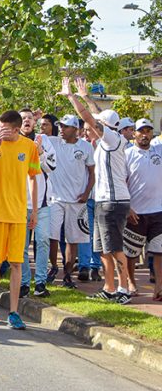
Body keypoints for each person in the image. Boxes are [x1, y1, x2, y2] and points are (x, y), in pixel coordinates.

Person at [61, 77, 133, 304]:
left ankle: (124, 289)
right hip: (103, 201)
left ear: (105, 127)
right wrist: (84, 96)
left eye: (95, 126)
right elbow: (97, 114)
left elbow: (90, 118)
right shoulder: (105, 141)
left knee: (115, 247)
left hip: (114, 201)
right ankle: (109, 287)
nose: (88, 129)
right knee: (103, 249)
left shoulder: (113, 139)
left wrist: (73, 98)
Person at [0, 110, 40, 330]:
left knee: (16, 263)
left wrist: (34, 209)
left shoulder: (29, 146)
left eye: (6, 128)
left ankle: (14, 311)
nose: (1, 130)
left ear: (17, 129)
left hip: (17, 214)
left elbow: (33, 178)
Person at [47, 114, 95, 292]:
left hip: (77, 201)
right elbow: (34, 135)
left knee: (73, 240)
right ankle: (54, 268)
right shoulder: (53, 142)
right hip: (56, 199)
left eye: (65, 127)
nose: (61, 129)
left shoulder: (85, 147)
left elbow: (92, 172)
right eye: (60, 126)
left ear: (75, 129)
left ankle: (67, 273)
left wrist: (86, 193)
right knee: (52, 236)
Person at [122, 118, 162, 300]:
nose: (145, 134)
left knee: (159, 252)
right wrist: (128, 208)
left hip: (158, 211)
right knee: (131, 253)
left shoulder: (159, 150)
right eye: (141, 131)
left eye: (148, 131)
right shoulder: (128, 154)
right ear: (134, 133)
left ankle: (159, 288)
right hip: (136, 213)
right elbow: (121, 183)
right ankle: (131, 282)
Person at [20, 109, 57, 298]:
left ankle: (40, 282)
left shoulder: (43, 140)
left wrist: (40, 152)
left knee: (42, 240)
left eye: (29, 118)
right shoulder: (14, 142)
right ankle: (24, 282)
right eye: (23, 118)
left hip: (41, 203)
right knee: (22, 246)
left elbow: (51, 167)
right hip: (18, 204)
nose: (26, 121)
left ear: (34, 122)